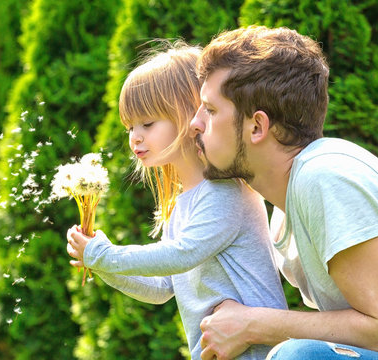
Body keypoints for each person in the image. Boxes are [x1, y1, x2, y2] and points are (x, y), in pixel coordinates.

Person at [190, 25, 378, 360]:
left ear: (257, 126)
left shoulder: (324, 178)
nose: (195, 123)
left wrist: (252, 324)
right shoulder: (284, 211)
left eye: (211, 110)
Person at [66, 41, 287, 360]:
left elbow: (182, 254)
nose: (135, 137)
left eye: (148, 123)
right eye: (130, 126)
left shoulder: (225, 192)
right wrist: (100, 264)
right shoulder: (181, 205)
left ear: (189, 113)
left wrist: (105, 255)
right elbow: (161, 290)